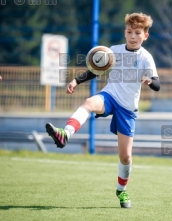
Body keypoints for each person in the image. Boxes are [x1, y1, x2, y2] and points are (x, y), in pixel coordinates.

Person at [45, 12, 160, 209]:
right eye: (130, 32)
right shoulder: (112, 51)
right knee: (89, 102)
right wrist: (76, 80)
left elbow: (157, 84)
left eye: (138, 33)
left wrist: (150, 81)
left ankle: (121, 191)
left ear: (145, 36)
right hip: (110, 96)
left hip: (127, 109)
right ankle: (65, 134)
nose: (133, 36)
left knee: (125, 157)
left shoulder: (146, 58)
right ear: (125, 33)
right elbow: (95, 69)